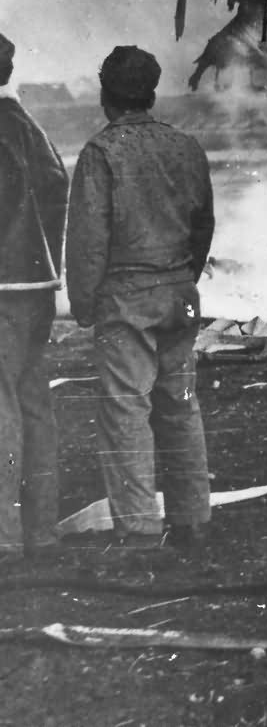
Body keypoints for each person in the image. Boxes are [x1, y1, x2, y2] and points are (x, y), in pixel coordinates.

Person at [65, 47, 215, 553]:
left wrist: (85, 304)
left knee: (125, 411)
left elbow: (89, 241)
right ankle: (192, 521)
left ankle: (140, 534)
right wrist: (183, 278)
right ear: (150, 93)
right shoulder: (186, 147)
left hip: (127, 300)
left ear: (106, 94)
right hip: (179, 294)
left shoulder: (101, 154)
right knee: (180, 405)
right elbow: (204, 225)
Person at [0, 34, 68, 564]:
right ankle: (41, 531)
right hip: (37, 287)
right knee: (33, 405)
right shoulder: (26, 125)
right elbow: (54, 190)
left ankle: (3, 535)